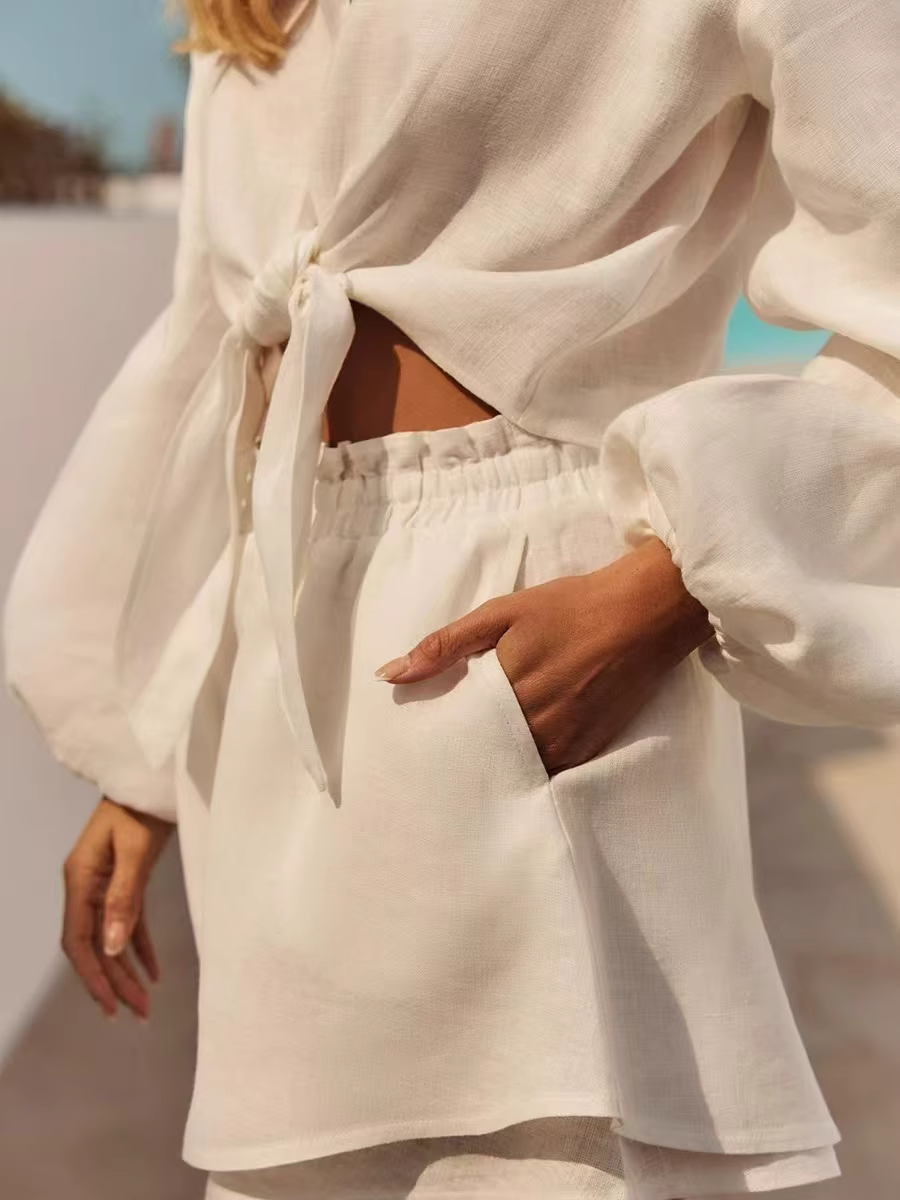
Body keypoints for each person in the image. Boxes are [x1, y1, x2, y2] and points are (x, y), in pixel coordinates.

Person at [4, 0, 899, 1195]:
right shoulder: (250, 15)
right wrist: (146, 749)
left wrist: (672, 585)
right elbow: (211, 358)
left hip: (523, 625)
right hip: (274, 673)